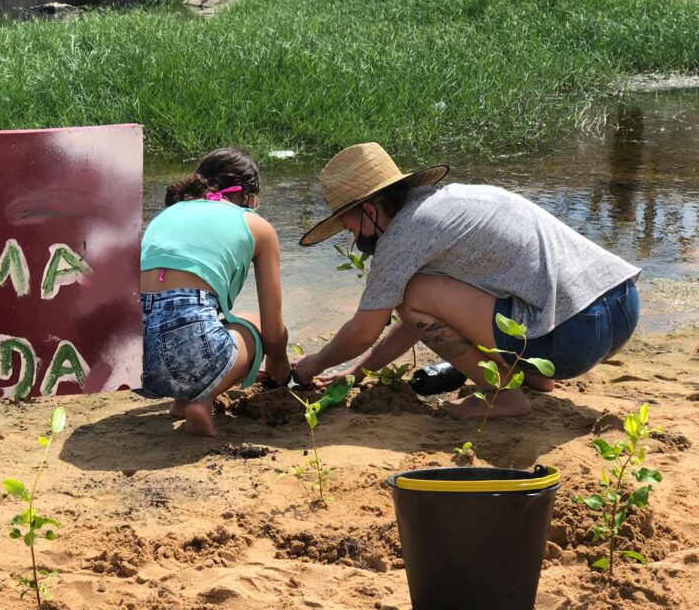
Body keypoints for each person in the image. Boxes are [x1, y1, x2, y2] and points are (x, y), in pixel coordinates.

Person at [291, 143, 641, 420]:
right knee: (422, 296)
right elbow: (427, 321)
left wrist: (313, 364)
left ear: (369, 209)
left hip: (575, 337)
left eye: (349, 224)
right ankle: (535, 376)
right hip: (622, 305)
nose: (353, 237)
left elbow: (367, 328)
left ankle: (504, 398)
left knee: (413, 295)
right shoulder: (453, 201)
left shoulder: (403, 234)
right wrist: (357, 371)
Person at [140, 147, 291, 436]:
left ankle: (180, 402)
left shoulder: (168, 215)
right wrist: (278, 363)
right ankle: (201, 401)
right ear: (246, 197)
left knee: (177, 313)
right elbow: (273, 330)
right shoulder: (256, 226)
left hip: (135, 366)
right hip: (194, 354)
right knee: (251, 321)